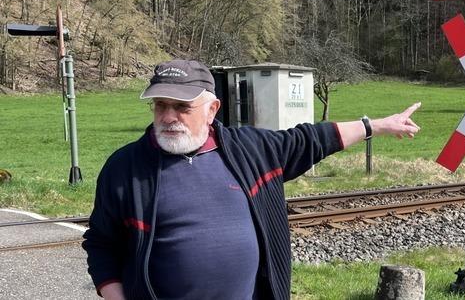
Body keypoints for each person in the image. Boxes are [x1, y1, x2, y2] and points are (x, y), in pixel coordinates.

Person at [82, 59, 421, 300]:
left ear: (212, 109)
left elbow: (312, 139)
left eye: (182, 107)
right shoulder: (125, 168)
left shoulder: (252, 152)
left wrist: (375, 125)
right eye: (160, 105)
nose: (168, 117)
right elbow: (100, 243)